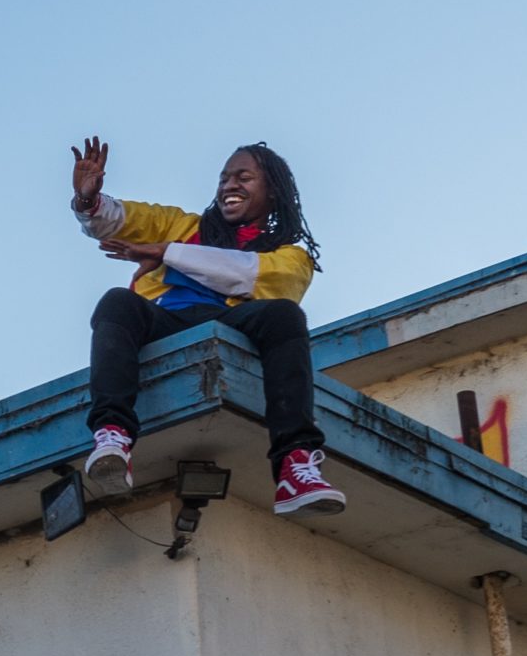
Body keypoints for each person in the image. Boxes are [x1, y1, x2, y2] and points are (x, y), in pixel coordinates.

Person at [71, 136, 344, 515]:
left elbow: (245, 276)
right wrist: (88, 200)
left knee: (285, 316)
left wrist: (167, 252)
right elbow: (120, 219)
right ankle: (112, 436)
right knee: (117, 302)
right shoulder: (183, 225)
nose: (230, 185)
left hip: (235, 324)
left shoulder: (291, 256)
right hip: (168, 319)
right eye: (224, 178)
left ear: (273, 190)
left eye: (244, 177)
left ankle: (293, 467)